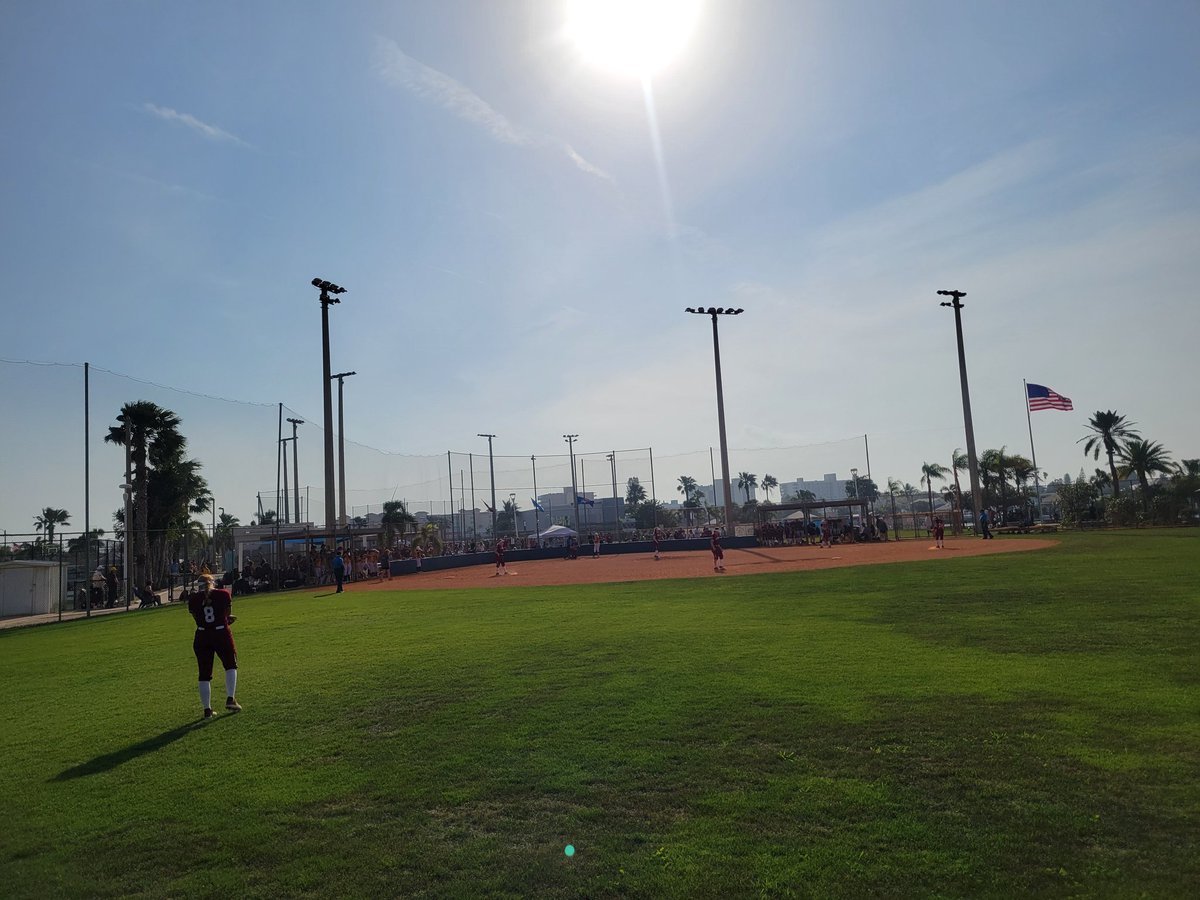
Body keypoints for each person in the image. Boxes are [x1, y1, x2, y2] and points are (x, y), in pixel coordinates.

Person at [188, 573, 241, 718]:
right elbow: (226, 614)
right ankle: (231, 698)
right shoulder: (223, 594)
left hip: (202, 635)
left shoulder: (193, 599)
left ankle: (207, 710)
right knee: (230, 665)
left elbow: (197, 619)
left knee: (204, 674)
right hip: (221, 633)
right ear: (213, 583)